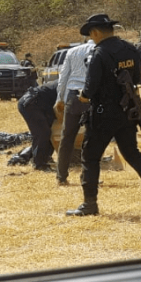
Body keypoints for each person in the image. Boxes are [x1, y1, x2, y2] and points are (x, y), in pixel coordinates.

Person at [66, 14, 141, 217]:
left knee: (90, 157)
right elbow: (137, 79)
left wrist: (83, 98)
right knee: (131, 152)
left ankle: (90, 204)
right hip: (127, 111)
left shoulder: (98, 54)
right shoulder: (131, 49)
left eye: (91, 35)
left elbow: (90, 88)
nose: (91, 39)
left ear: (95, 32)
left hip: (103, 114)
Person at [55, 39, 95, 186]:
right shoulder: (101, 50)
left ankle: (61, 176)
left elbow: (63, 77)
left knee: (67, 137)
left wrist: (60, 98)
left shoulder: (72, 52)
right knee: (92, 138)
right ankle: (87, 175)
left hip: (73, 96)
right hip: (92, 97)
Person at [16, 80, 59, 171]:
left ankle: (45, 157)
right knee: (42, 133)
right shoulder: (66, 85)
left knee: (50, 130)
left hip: (40, 104)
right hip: (30, 104)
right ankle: (39, 164)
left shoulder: (66, 83)